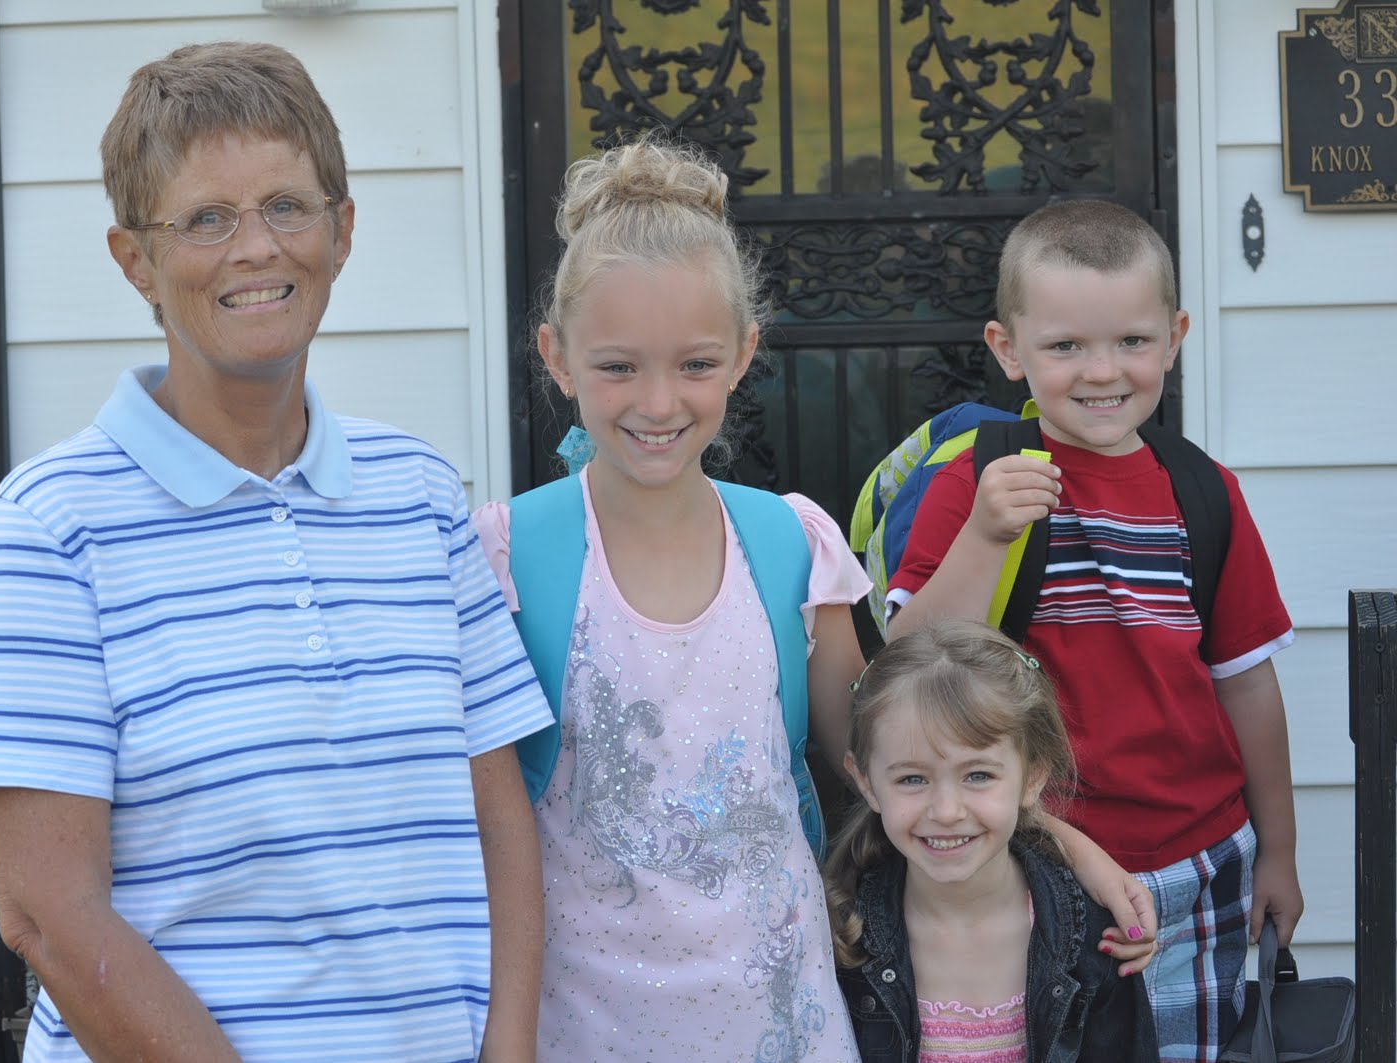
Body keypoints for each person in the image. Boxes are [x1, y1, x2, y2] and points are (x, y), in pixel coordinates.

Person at [471, 136, 1156, 1062]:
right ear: (557, 358)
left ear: (745, 352)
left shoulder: (792, 544)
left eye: (696, 364)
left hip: (783, 1016)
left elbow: (889, 753)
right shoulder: (507, 556)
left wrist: (1076, 852)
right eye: (618, 367)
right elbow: (481, 819)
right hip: (581, 1022)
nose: (659, 402)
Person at [0, 42, 551, 1063]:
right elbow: (46, 909)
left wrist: (510, 1048)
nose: (256, 247)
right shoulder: (53, 525)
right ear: (134, 260)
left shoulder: (421, 495)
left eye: (287, 206)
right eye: (206, 219)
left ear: (341, 231)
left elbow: (499, 813)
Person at [886, 199, 1301, 1061]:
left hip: (1200, 859)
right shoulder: (976, 481)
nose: (1102, 371)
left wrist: (1280, 851)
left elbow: (1247, 683)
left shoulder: (1205, 493)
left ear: (1175, 338)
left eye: (1132, 341)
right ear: (1009, 349)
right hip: (1030, 856)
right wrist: (984, 535)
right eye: (1066, 346)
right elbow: (909, 665)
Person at [825, 619, 1159, 1061]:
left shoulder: (1093, 939)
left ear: (1033, 776)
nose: (946, 811)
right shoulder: (841, 938)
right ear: (866, 783)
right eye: (912, 779)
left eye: (978, 775)